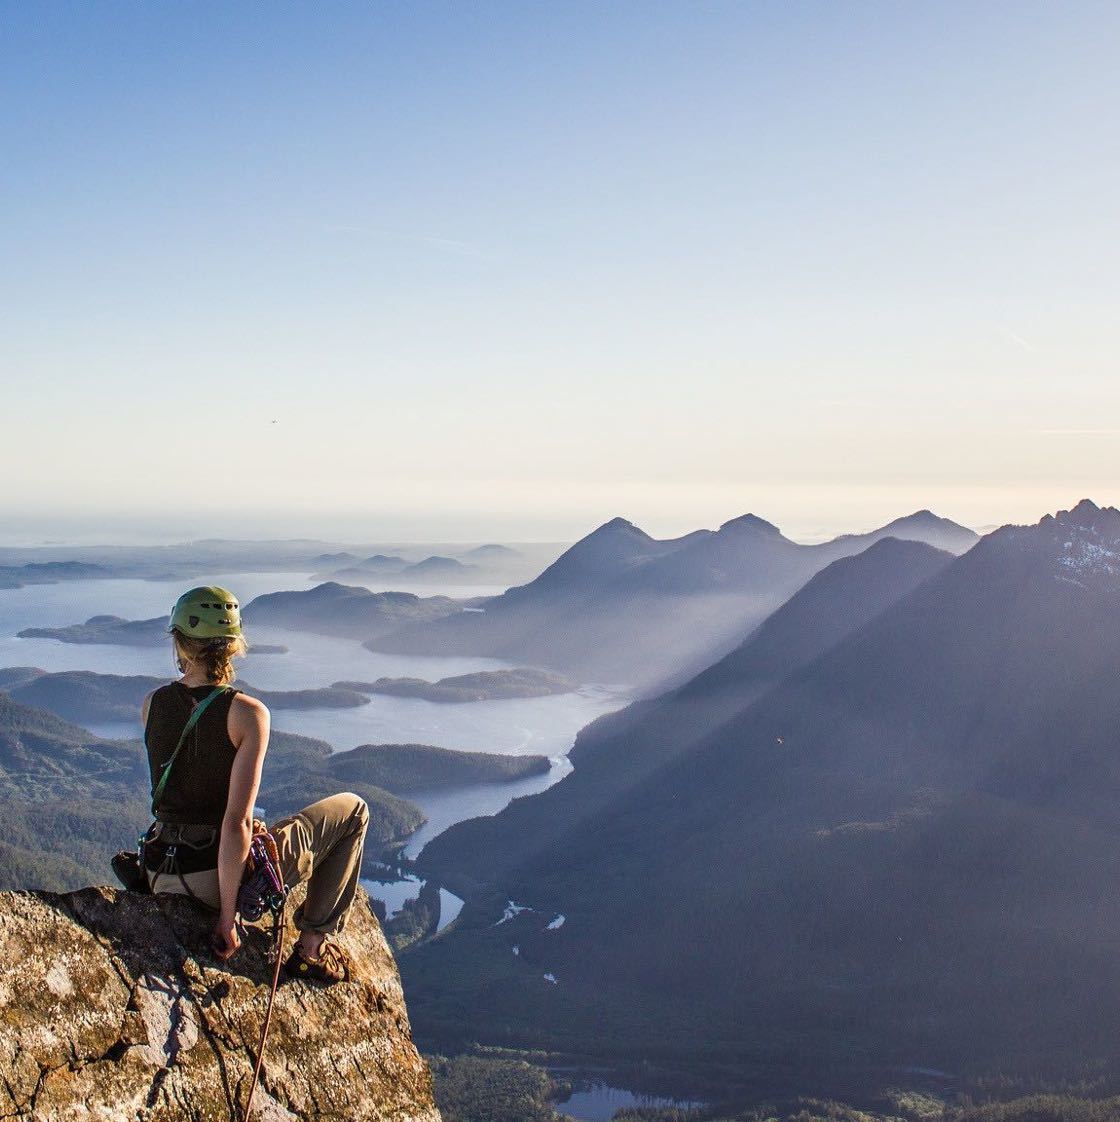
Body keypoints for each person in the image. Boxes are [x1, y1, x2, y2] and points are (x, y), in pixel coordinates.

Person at [141, 585, 369, 984]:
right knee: (354, 810)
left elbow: (185, 791)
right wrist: (228, 919)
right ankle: (313, 947)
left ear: (178, 642)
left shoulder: (152, 704)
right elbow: (236, 824)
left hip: (160, 870)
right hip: (209, 881)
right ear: (233, 646)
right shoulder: (247, 714)